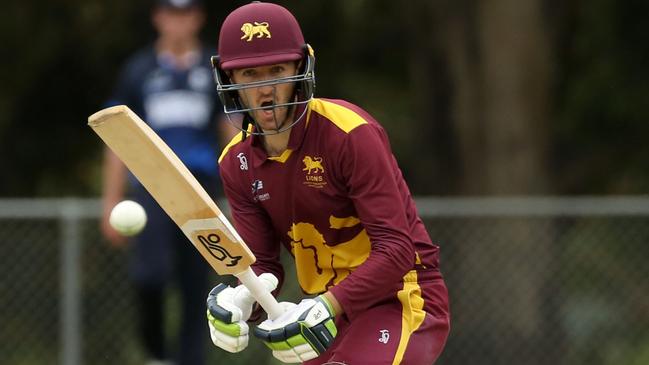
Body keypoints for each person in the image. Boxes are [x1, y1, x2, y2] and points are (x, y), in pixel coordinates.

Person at [205, 2, 450, 364]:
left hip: (401, 298)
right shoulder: (235, 163)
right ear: (230, 81)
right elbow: (265, 267)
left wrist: (325, 305)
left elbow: (397, 249)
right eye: (249, 75)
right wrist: (241, 299)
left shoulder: (349, 133)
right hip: (323, 313)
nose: (266, 90)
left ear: (301, 69)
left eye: (277, 70)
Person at [100, 1, 236, 364]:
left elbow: (230, 132)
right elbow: (117, 138)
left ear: (198, 18)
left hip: (200, 188)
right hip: (151, 187)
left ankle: (191, 360)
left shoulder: (214, 68)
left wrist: (244, 195)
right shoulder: (138, 69)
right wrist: (110, 200)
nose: (179, 23)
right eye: (171, 14)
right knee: (150, 275)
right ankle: (156, 355)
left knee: (196, 284)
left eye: (186, 14)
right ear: (158, 18)